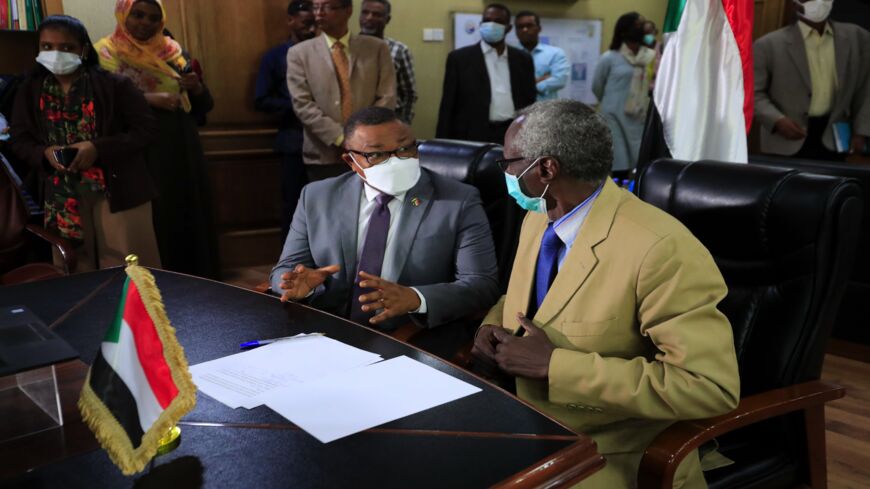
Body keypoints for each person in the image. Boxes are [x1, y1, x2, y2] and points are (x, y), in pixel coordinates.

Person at [472, 100, 739, 487]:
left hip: (612, 451)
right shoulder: (538, 217)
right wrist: (491, 327)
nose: (507, 174)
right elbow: (525, 302)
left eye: (509, 163)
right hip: (521, 420)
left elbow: (708, 387)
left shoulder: (660, 248)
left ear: (546, 169)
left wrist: (555, 366)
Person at [270, 106, 500, 357]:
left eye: (404, 149)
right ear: (352, 161)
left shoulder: (458, 201)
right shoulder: (317, 196)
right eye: (377, 154)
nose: (396, 161)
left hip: (411, 340)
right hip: (326, 337)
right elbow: (286, 270)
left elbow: (482, 285)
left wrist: (416, 298)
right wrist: (300, 287)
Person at [10, 15, 161, 271]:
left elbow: (146, 130)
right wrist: (44, 153)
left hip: (116, 189)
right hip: (60, 195)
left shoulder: (114, 85)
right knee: (76, 271)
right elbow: (19, 138)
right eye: (47, 47)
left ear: (83, 48)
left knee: (128, 270)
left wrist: (97, 148)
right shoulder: (28, 89)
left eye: (66, 47)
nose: (56, 54)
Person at [94, 0, 219, 279]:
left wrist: (196, 87)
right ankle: (163, 280)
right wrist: (149, 99)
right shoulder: (105, 52)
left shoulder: (173, 51)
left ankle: (198, 278)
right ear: (124, 14)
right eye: (137, 15)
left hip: (181, 143)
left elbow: (204, 106)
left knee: (187, 210)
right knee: (157, 215)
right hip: (141, 148)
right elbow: (102, 102)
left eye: (153, 17)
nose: (145, 23)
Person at [287, 0, 396, 181]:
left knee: (372, 208)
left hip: (370, 152)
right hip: (323, 154)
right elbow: (302, 105)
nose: (319, 13)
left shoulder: (376, 48)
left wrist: (363, 137)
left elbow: (387, 96)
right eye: (315, 7)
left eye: (327, 7)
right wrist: (342, 138)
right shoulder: (299, 53)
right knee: (327, 208)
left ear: (348, 10)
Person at [754, 0, 869, 160]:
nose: (819, 2)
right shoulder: (768, 45)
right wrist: (776, 120)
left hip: (836, 137)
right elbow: (753, 93)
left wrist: (862, 130)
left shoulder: (858, 38)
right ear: (795, 5)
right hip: (787, 137)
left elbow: (866, 89)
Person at [255, 0, 318, 240]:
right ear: (291, 21)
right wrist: (301, 106)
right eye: (305, 23)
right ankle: (289, 259)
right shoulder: (274, 56)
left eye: (314, 23)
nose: (310, 29)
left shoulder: (326, 54)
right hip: (294, 141)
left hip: (329, 143)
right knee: (293, 204)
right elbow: (261, 99)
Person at [436, 3, 536, 145]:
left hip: (513, 133)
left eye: (498, 21)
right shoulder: (459, 58)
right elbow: (448, 106)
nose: (491, 25)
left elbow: (530, 102)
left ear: (508, 28)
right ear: (481, 24)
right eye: (487, 20)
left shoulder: (523, 59)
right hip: (472, 135)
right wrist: (442, 143)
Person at [591, 12, 656, 180]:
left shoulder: (650, 57)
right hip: (614, 116)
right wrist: (611, 102)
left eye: (643, 25)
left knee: (639, 160)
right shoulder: (610, 57)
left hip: (639, 118)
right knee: (618, 161)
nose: (642, 29)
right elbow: (597, 86)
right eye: (637, 25)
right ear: (624, 31)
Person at [358, 0, 417, 124]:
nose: (369, 18)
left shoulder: (399, 50)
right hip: (354, 120)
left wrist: (403, 123)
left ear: (387, 19)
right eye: (365, 13)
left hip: (387, 121)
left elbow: (408, 94)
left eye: (377, 14)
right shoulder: (347, 48)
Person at [514, 10, 570, 101]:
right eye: (520, 27)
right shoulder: (509, 55)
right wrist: (541, 80)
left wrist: (525, 86)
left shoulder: (555, 53)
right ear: (515, 31)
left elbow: (560, 80)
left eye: (529, 25)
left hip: (546, 111)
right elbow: (507, 86)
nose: (525, 30)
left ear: (539, 28)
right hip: (518, 110)